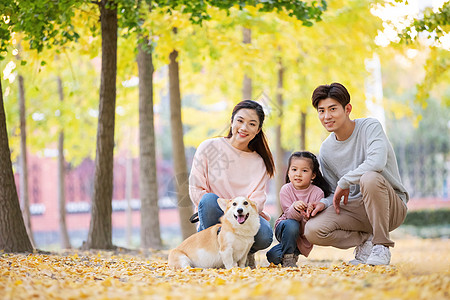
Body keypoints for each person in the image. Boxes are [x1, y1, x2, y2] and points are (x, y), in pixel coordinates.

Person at [304, 82, 409, 266]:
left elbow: (376, 163)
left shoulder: (370, 127)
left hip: (391, 205)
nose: (326, 116)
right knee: (312, 230)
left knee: (369, 177)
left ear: (348, 109)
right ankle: (366, 241)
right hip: (356, 209)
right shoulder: (326, 149)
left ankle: (381, 245)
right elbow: (333, 192)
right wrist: (322, 203)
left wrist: (345, 181)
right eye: (321, 111)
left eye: (332, 109)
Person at [188, 100, 275, 268]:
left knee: (265, 235)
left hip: (243, 216)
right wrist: (228, 210)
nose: (244, 128)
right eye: (240, 121)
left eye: (251, 124)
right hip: (214, 213)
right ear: (232, 121)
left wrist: (237, 211)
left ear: (257, 131)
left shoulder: (259, 162)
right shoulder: (209, 147)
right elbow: (196, 188)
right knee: (208, 200)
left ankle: (242, 252)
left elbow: (257, 201)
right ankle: (215, 251)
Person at [266, 151, 331, 267]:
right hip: (286, 229)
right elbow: (289, 215)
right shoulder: (286, 189)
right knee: (291, 225)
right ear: (288, 172)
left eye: (304, 171)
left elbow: (316, 222)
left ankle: (290, 255)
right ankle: (289, 257)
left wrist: (311, 213)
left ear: (313, 175)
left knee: (274, 255)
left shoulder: (317, 192)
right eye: (294, 169)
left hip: (304, 235)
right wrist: (294, 207)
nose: (298, 174)